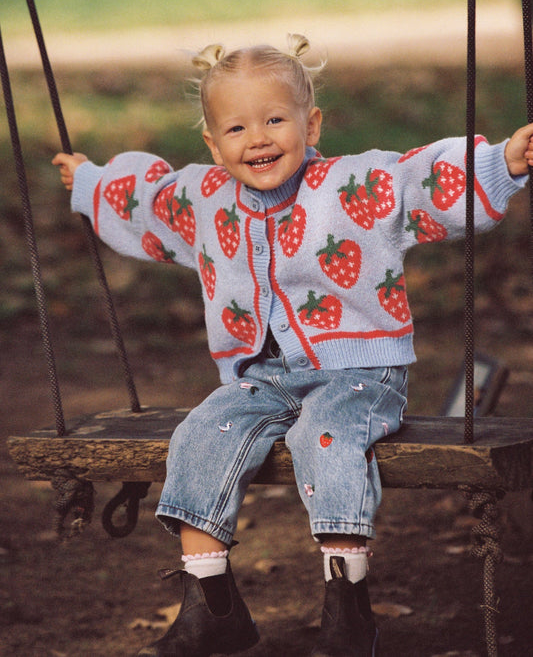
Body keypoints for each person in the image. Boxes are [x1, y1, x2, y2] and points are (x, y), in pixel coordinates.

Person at [53, 34, 533, 657]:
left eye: (275, 119)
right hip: (261, 376)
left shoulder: (350, 186)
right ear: (211, 144)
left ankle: (346, 606)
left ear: (312, 125)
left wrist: (503, 163)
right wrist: (89, 180)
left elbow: (419, 182)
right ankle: (211, 603)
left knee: (324, 437)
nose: (257, 138)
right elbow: (148, 200)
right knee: (199, 433)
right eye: (236, 127)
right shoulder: (205, 198)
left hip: (360, 371)